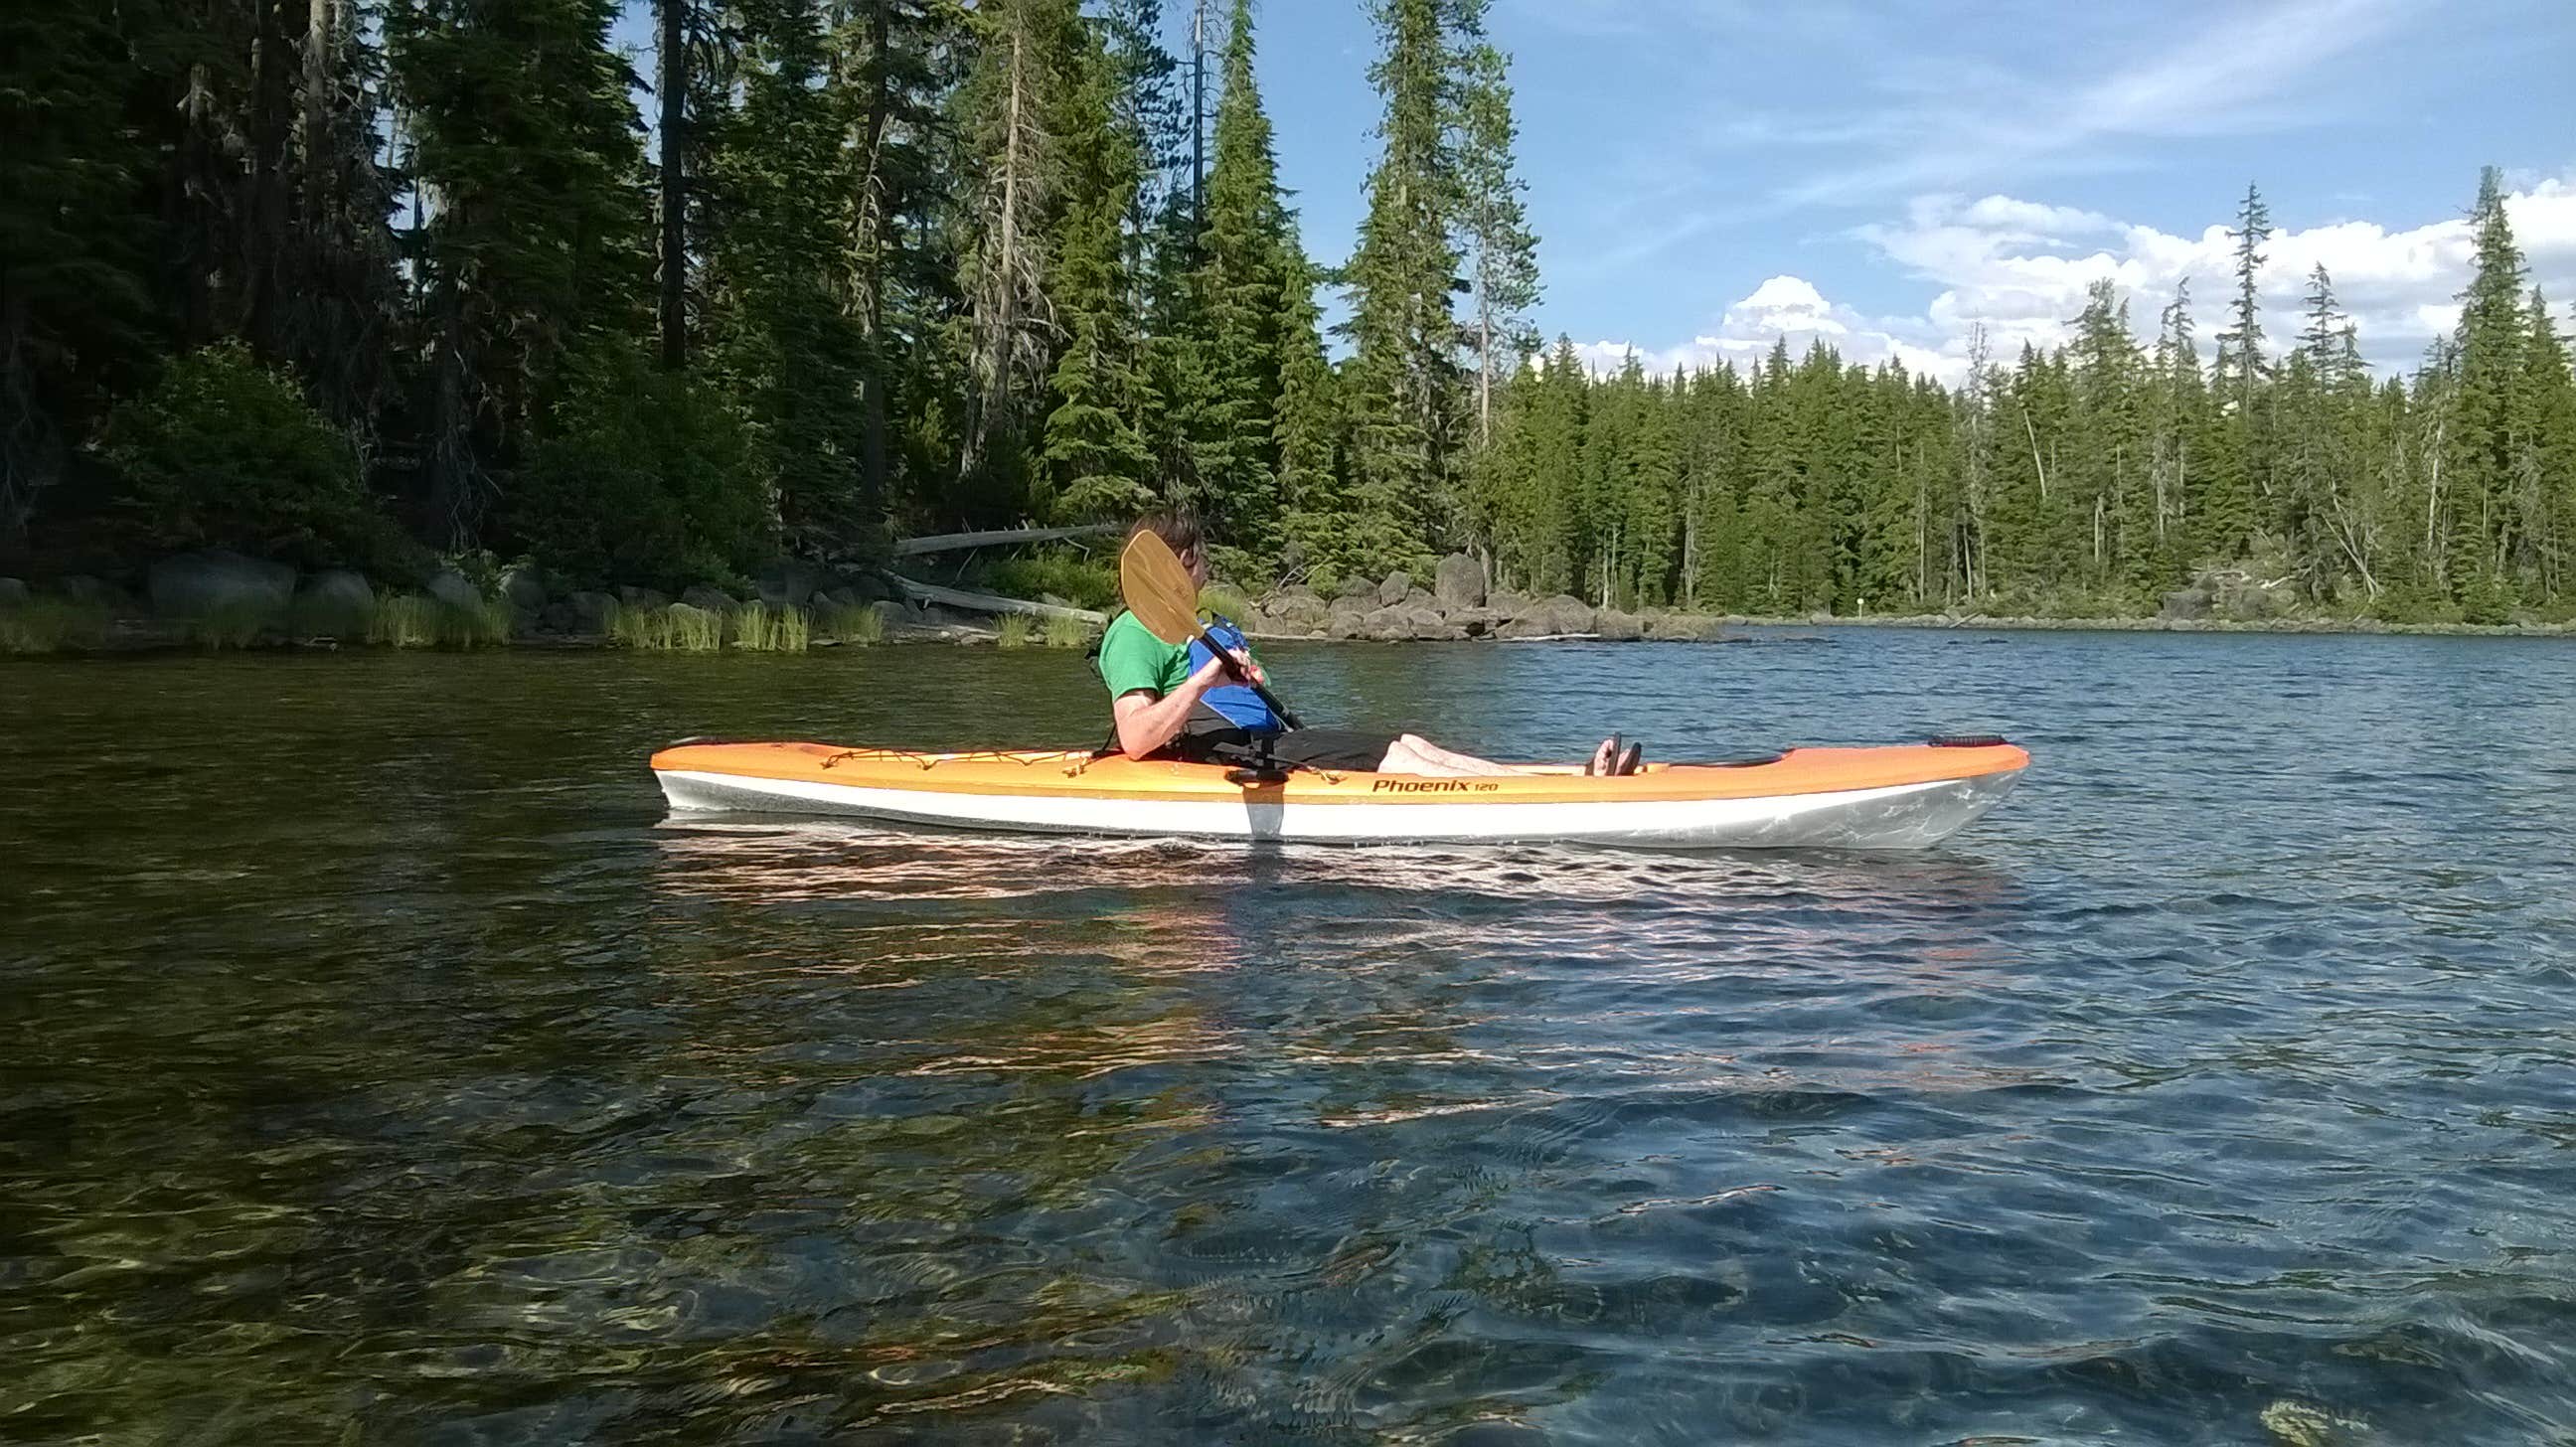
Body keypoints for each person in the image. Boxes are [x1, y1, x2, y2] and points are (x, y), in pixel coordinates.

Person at [1095, 511, 1640, 777]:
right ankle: (1545, 802)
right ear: (1178, 565)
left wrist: (1244, 678)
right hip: (1220, 755)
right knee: (1397, 755)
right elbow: (1138, 737)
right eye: (1200, 556)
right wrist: (1204, 679)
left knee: (1413, 742)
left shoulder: (1206, 622)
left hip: (1263, 742)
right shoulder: (1132, 632)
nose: (1209, 564)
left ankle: (1569, 776)